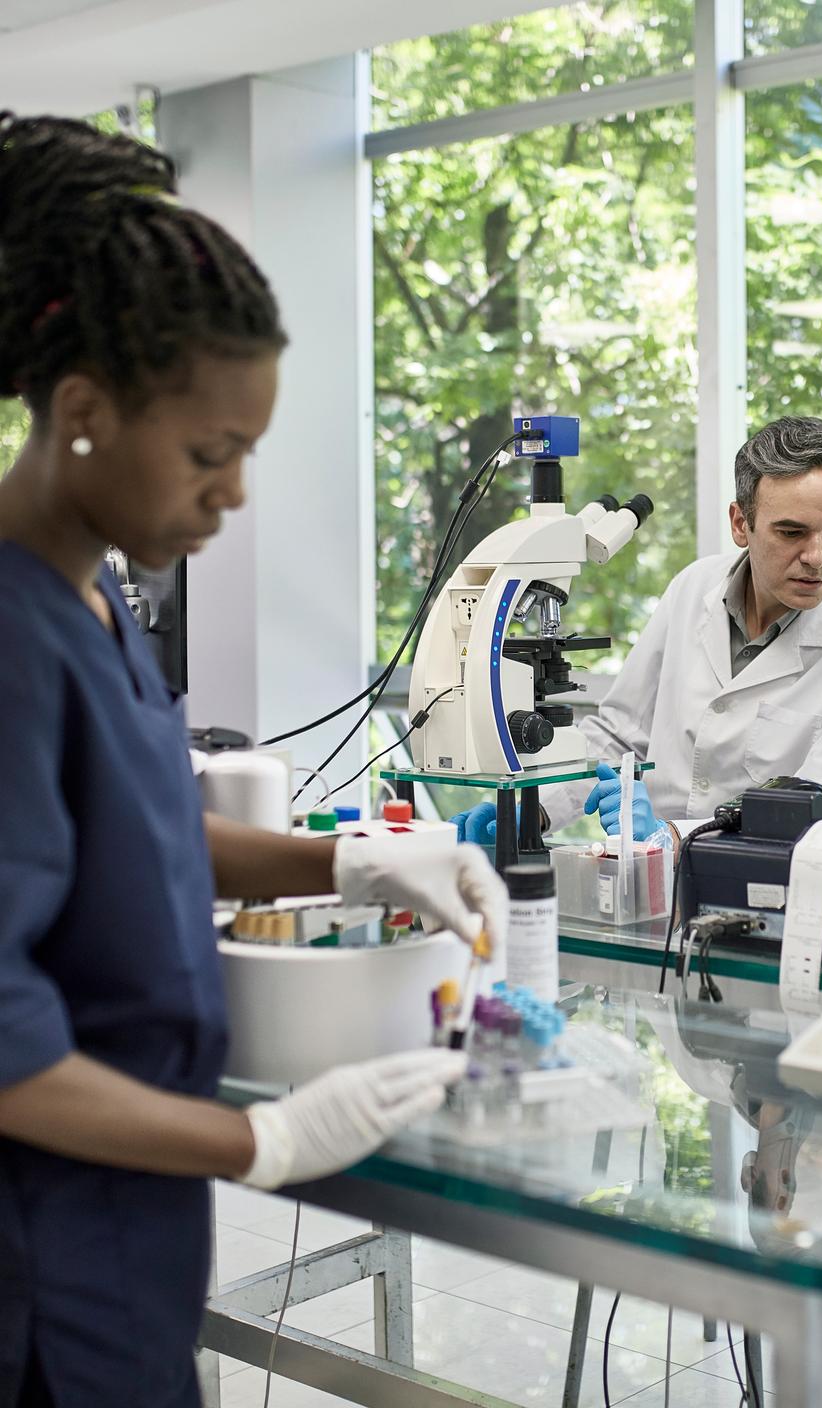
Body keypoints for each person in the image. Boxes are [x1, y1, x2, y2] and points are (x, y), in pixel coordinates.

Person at [0, 113, 506, 1407]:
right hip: (37, 1260)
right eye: (209, 455)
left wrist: (358, 861)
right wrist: (260, 1138)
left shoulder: (95, 600)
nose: (231, 497)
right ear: (83, 411)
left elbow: (149, 828)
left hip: (128, 1226)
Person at [455, 416, 822, 845]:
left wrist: (673, 835)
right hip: (651, 884)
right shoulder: (693, 587)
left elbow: (820, 811)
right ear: (741, 524)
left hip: (780, 895)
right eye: (792, 533)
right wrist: (530, 813)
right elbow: (619, 736)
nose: (817, 557)